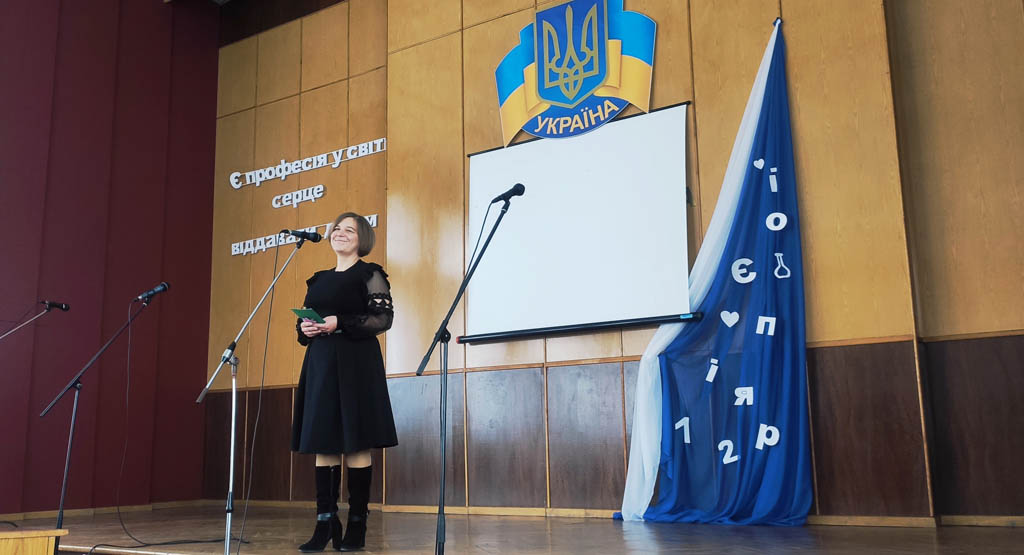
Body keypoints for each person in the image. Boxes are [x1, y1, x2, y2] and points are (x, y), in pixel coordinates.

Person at [291, 212, 398, 552]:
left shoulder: (370, 273)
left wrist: (340, 322)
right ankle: (325, 522)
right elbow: (303, 329)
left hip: (357, 364)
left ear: (362, 238)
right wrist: (305, 329)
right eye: (337, 228)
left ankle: (357, 523)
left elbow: (383, 319)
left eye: (349, 230)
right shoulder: (318, 280)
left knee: (356, 442)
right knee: (324, 442)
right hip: (321, 363)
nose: (340, 233)